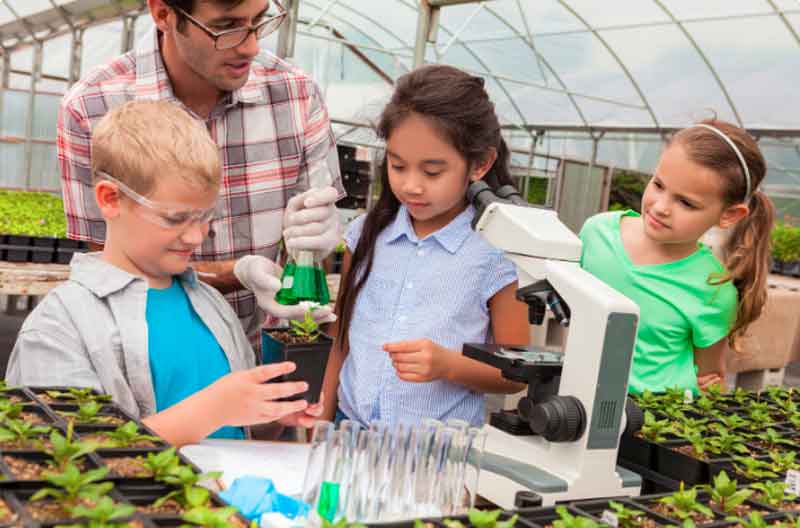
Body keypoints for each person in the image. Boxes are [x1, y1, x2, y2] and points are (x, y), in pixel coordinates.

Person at [8, 101, 322, 446]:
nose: (196, 236)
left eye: (205, 217)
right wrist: (210, 410)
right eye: (175, 218)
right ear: (110, 198)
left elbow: (235, 431)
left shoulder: (212, 306)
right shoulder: (61, 325)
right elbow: (64, 455)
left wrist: (271, 415)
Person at [58, 0, 343, 348]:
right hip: (147, 351)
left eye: (259, 21)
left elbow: (312, 248)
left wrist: (317, 240)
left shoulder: (297, 96)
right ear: (163, 13)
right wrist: (238, 274)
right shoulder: (92, 107)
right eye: (226, 27)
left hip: (263, 350)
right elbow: (116, 268)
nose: (251, 46)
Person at [321, 65, 529, 427]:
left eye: (432, 172)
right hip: (348, 428)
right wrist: (321, 421)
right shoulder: (367, 233)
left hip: (434, 452)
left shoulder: (496, 253)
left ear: (480, 164)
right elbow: (341, 338)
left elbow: (516, 373)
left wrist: (449, 365)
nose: (412, 186)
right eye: (398, 166)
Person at [579, 119, 774, 395]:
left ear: (729, 215)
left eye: (685, 203)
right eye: (658, 185)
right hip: (574, 397)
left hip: (653, 423)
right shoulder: (597, 233)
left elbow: (709, 376)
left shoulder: (713, 289)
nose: (660, 207)